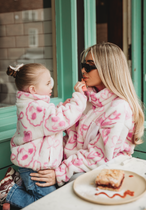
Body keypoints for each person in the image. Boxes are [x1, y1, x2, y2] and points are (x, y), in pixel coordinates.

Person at [29, 42, 144, 187]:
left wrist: (59, 173)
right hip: (73, 164)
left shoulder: (119, 108)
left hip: (101, 171)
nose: (83, 70)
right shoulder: (87, 98)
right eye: (83, 64)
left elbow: (99, 155)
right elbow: (65, 131)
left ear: (107, 69)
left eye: (90, 66)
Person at [0, 63, 87, 208]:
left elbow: (46, 123)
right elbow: (58, 120)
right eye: (47, 83)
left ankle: (15, 185)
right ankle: (10, 192)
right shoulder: (34, 107)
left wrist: (62, 107)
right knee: (48, 205)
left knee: (47, 200)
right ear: (33, 89)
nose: (51, 86)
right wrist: (79, 98)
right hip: (36, 169)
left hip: (35, 164)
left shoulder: (32, 105)